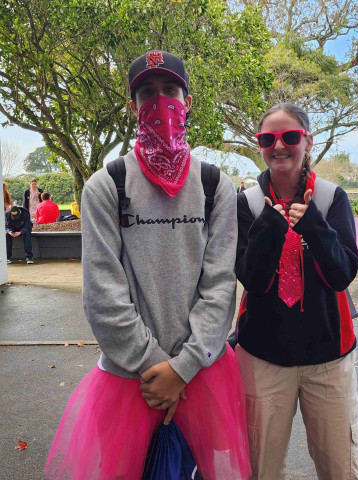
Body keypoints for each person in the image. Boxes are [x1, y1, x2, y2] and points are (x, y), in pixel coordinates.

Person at [44, 50, 250, 480]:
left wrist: (183, 368)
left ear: (187, 100)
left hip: (203, 374)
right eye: (147, 93)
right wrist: (159, 371)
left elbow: (220, 287)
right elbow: (103, 295)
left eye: (170, 90)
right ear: (131, 105)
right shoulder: (105, 187)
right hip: (130, 381)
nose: (160, 102)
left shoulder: (216, 185)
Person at [235, 103, 358, 480]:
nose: (279, 145)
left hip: (328, 356)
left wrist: (314, 225)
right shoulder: (246, 203)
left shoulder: (330, 198)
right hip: (263, 357)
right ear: (259, 145)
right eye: (268, 138)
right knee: (259, 465)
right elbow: (252, 280)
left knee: (340, 466)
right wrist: (269, 228)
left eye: (290, 136)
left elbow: (342, 273)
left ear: (307, 141)